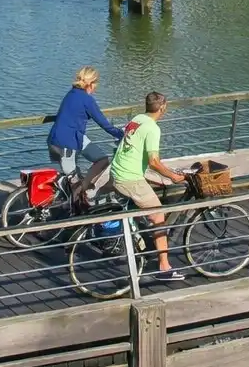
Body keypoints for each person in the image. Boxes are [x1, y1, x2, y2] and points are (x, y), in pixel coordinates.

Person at [109, 91, 186, 281]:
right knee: (158, 215)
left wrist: (163, 174)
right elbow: (154, 162)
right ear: (163, 107)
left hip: (118, 171)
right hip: (129, 178)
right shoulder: (153, 128)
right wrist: (173, 176)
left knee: (151, 195)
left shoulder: (137, 119)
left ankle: (141, 237)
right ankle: (164, 268)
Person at [47, 67, 123, 206]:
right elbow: (104, 124)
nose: (96, 87)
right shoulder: (87, 100)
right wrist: (122, 134)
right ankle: (74, 209)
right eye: (96, 83)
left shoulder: (71, 93)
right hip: (66, 144)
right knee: (74, 184)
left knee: (102, 159)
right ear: (91, 83)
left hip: (68, 138)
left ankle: (84, 188)